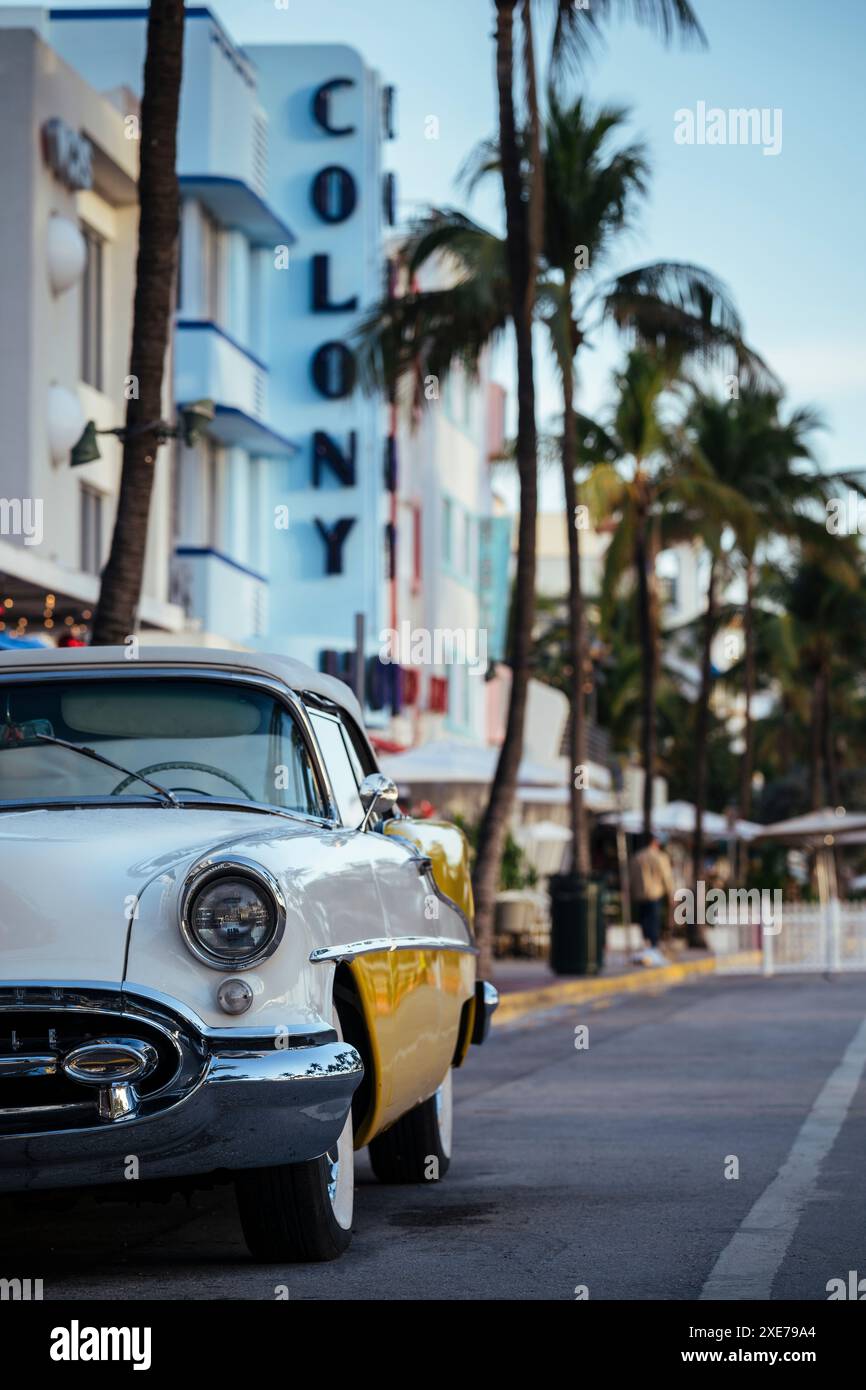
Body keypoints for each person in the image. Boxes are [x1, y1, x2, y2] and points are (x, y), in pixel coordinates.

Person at [630, 832, 675, 965]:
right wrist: (671, 893)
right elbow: (666, 877)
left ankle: (647, 946)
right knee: (653, 921)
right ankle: (653, 949)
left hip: (639, 894)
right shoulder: (660, 857)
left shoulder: (636, 857)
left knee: (644, 921)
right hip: (654, 894)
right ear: (655, 842)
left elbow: (630, 878)